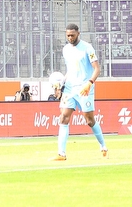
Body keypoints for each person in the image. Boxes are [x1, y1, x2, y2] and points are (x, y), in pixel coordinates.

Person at [52, 23, 107, 161]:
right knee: (63, 117)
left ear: (78, 33)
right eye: (68, 35)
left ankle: (103, 145)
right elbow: (71, 70)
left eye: (72, 35)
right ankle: (61, 153)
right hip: (70, 88)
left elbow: (97, 69)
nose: (70, 38)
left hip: (84, 88)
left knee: (89, 120)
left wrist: (89, 83)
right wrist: (61, 84)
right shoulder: (65, 50)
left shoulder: (87, 48)